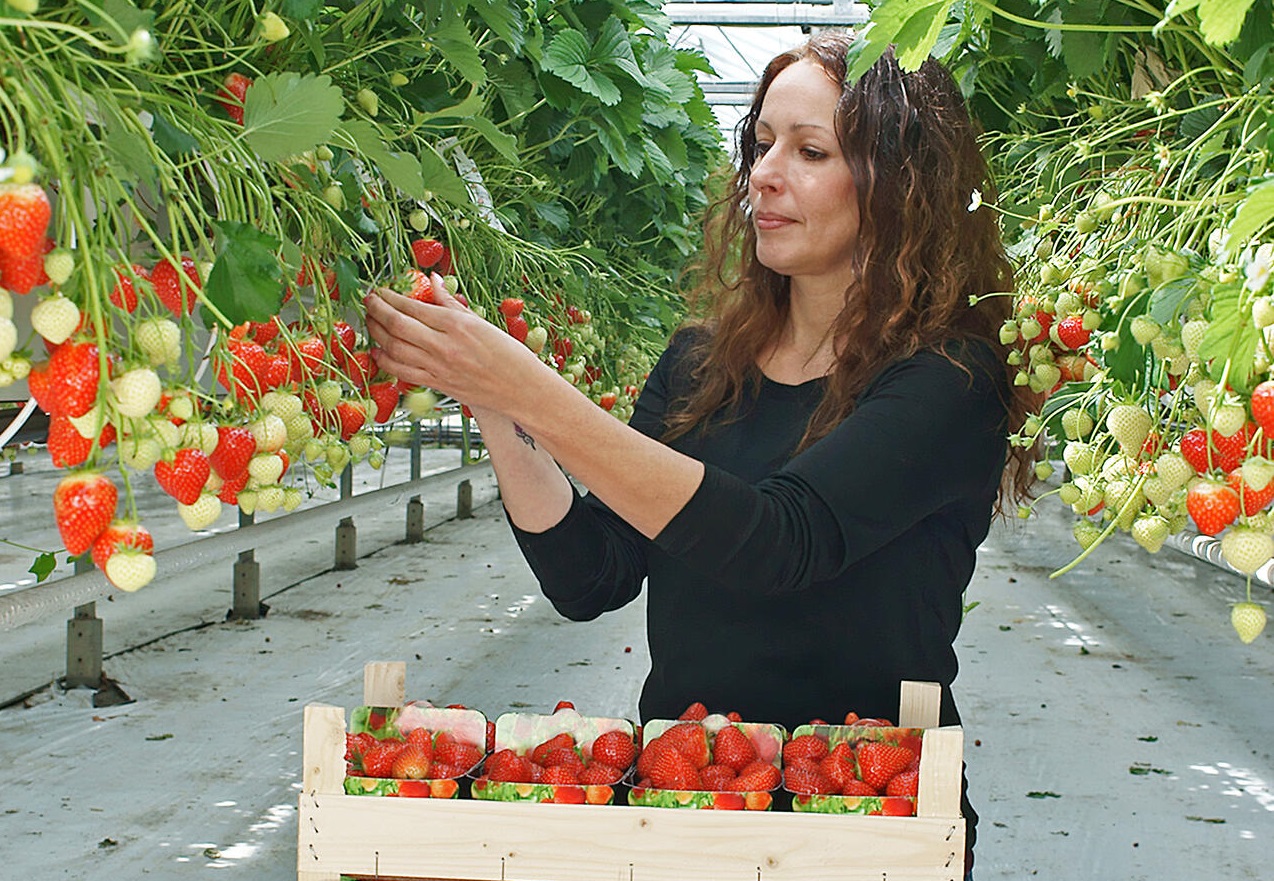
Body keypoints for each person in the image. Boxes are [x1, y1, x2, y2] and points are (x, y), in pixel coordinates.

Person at [365, 31, 1037, 877]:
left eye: (811, 150)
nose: (764, 174)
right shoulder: (700, 363)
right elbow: (590, 572)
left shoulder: (950, 377)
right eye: (761, 144)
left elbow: (780, 538)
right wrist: (495, 402)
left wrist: (538, 389)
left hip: (870, 815)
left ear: (898, 183)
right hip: (688, 809)